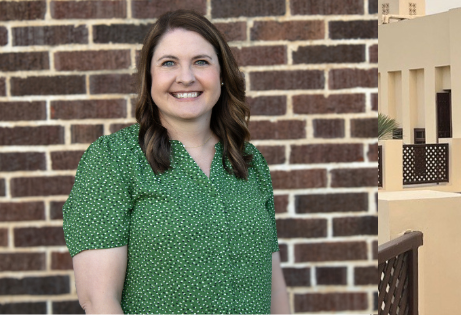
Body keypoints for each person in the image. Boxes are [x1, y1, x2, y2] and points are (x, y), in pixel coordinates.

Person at [62, 10, 290, 314]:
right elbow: (99, 299)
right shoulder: (113, 159)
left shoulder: (249, 161)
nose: (186, 77)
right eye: (168, 63)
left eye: (201, 62)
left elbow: (274, 284)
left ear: (222, 74)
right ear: (149, 77)